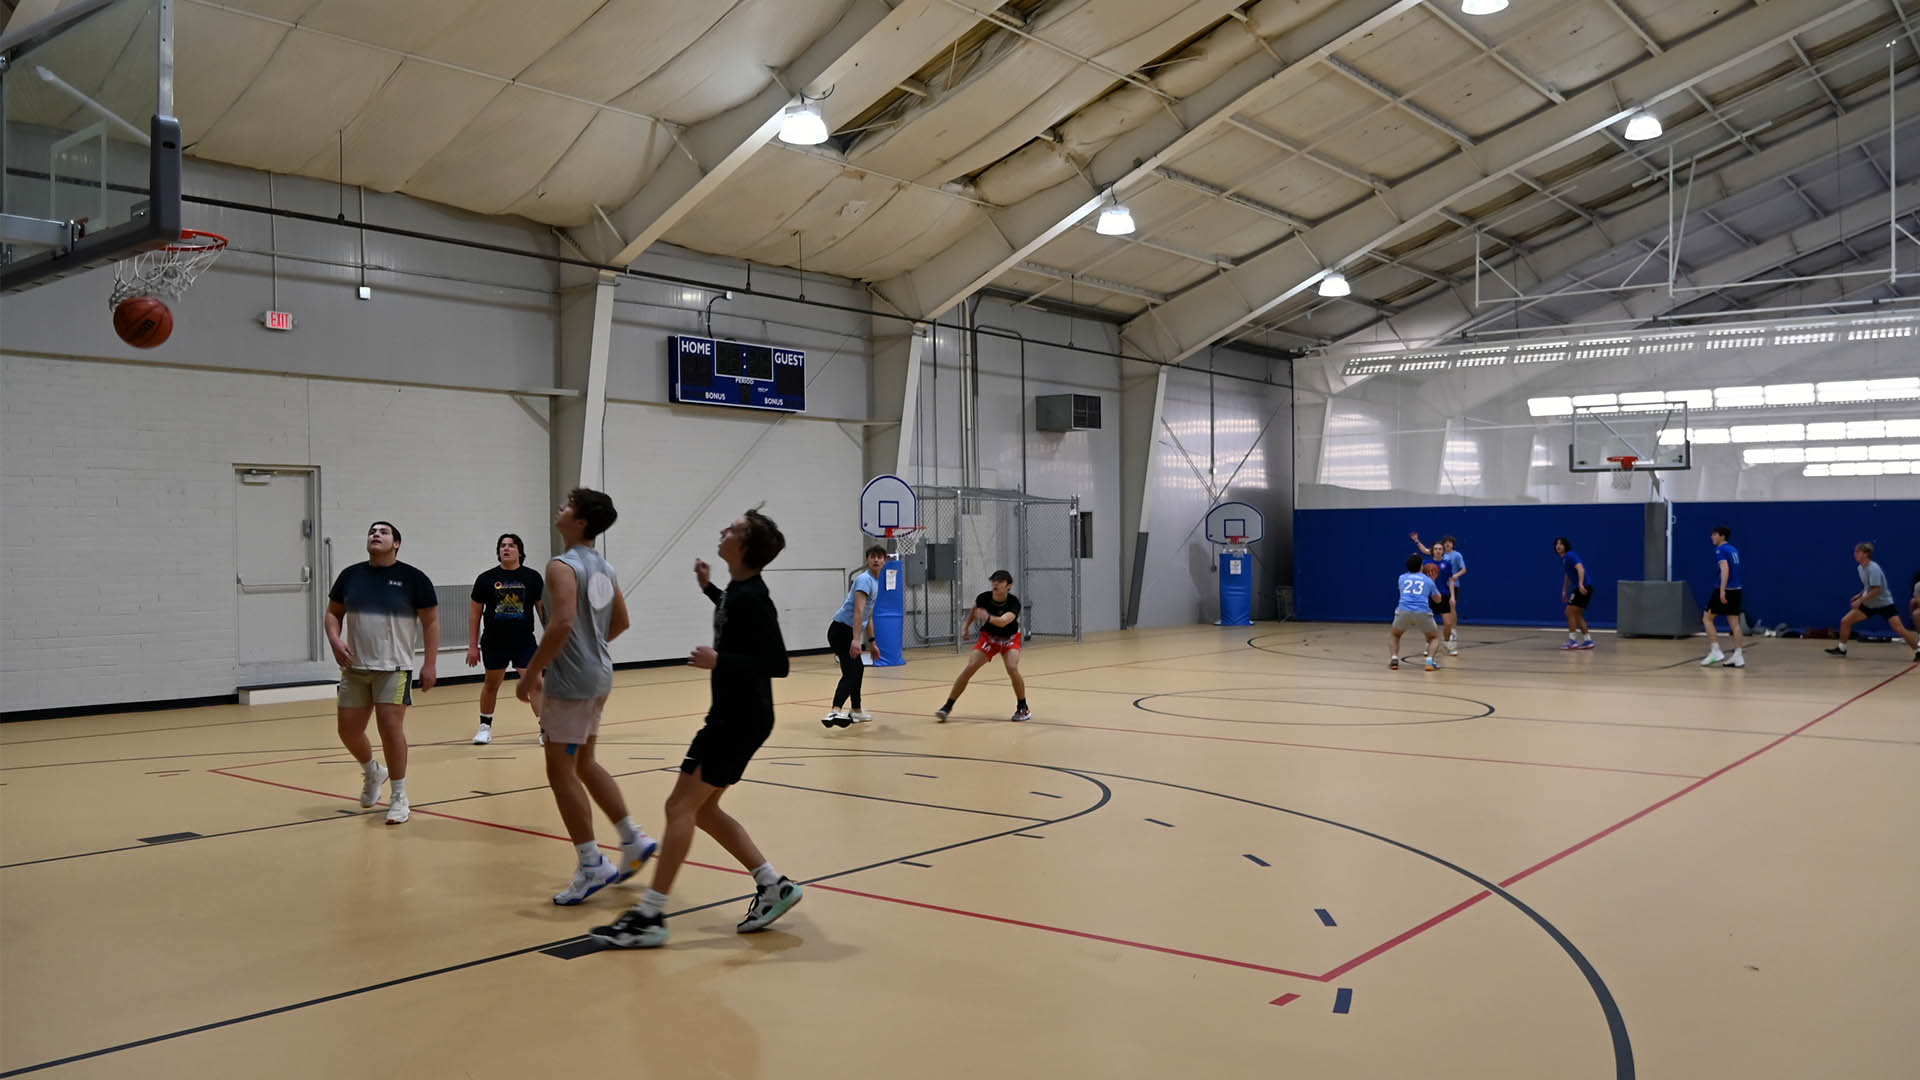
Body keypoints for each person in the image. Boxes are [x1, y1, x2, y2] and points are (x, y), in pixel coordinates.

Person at [591, 509, 799, 949]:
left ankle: (650, 915)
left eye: (734, 530)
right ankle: (773, 884)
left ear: (742, 547)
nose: (724, 530)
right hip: (737, 716)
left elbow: (777, 663)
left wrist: (721, 660)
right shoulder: (739, 591)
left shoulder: (754, 597)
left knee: (679, 807)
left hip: (737, 719)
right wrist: (708, 589)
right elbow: (732, 613)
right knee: (702, 810)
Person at [517, 489, 658, 905]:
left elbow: (559, 625)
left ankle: (591, 862)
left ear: (579, 522)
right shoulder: (604, 566)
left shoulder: (561, 566)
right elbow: (622, 621)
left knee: (561, 772)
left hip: (572, 682)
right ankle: (632, 838)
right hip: (600, 675)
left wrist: (532, 673)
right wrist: (592, 647)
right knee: (586, 762)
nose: (559, 508)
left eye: (567, 505)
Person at [325, 521, 438, 825]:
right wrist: (335, 641)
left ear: (397, 543)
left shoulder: (413, 578)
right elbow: (333, 614)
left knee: (389, 727)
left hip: (395, 667)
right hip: (355, 667)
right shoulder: (351, 576)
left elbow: (430, 622)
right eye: (372, 531)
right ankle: (372, 771)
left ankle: (399, 796)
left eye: (383, 532)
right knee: (347, 731)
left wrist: (429, 663)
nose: (376, 534)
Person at [467, 533, 545, 744]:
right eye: (502, 545)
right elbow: (475, 614)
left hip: (524, 641)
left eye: (511, 545)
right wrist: (473, 646)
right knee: (492, 684)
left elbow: (542, 610)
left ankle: (546, 729)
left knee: (536, 683)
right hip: (494, 641)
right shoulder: (486, 579)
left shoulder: (533, 577)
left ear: (519, 551)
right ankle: (485, 728)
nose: (506, 549)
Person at [933, 570, 1029, 723]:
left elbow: (1004, 621)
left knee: (1012, 667)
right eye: (994, 581)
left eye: (1000, 581)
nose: (996, 584)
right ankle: (947, 706)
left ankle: (1022, 707)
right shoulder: (984, 598)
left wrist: (988, 617)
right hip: (989, 638)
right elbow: (974, 610)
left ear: (1009, 585)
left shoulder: (1013, 602)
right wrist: (966, 627)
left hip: (1009, 638)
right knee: (970, 666)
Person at [823, 545, 885, 728]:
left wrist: (872, 642)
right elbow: (858, 611)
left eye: (879, 557)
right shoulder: (864, 580)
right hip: (842, 631)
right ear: (867, 559)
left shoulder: (875, 581)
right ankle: (834, 711)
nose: (876, 560)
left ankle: (856, 711)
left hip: (849, 631)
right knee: (851, 673)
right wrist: (856, 640)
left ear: (885, 561)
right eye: (872, 556)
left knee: (857, 669)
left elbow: (868, 615)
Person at [1825, 542, 1920, 660]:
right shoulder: (1860, 568)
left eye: (1857, 552)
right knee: (1846, 621)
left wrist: (1860, 601)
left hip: (1884, 604)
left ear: (1866, 554)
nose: (1855, 554)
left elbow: (1877, 590)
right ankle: (1842, 648)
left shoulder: (1873, 568)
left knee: (1899, 629)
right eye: (1855, 552)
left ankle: (1917, 651)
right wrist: (1859, 595)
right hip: (1869, 604)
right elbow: (1868, 586)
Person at [1700, 526, 1747, 669]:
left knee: (1707, 618)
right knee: (1734, 622)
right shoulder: (1734, 550)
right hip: (1737, 589)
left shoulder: (1720, 550)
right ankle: (1738, 656)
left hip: (1726, 589)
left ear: (1722, 536)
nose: (1712, 537)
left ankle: (1715, 651)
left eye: (1714, 535)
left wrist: (1722, 590)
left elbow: (1725, 569)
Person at [1410, 532, 1464, 654]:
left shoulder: (1447, 564)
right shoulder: (1427, 564)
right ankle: (1428, 643)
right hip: (1429, 597)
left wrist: (1453, 596)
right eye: (1436, 549)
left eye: (1440, 549)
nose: (1438, 551)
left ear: (1443, 551)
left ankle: (1447, 643)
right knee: (1428, 624)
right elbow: (1420, 578)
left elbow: (1450, 580)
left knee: (1448, 624)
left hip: (1444, 596)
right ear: (1432, 551)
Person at [1390, 554, 1444, 671]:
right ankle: (1429, 661)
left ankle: (1394, 659)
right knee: (1434, 637)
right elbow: (1438, 600)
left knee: (1395, 634)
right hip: (1422, 612)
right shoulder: (1428, 580)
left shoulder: (1401, 578)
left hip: (1404, 610)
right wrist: (1432, 583)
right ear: (1421, 566)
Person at [1555, 536, 1596, 650]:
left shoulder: (1570, 555)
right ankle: (1588, 640)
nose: (1558, 546)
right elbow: (1568, 576)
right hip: (1583, 587)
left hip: (1583, 587)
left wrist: (1581, 584)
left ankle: (1572, 641)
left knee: (1569, 612)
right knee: (1576, 615)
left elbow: (1581, 569)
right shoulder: (1565, 559)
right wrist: (1564, 590)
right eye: (1557, 544)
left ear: (1566, 546)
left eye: (1561, 544)